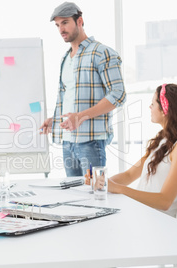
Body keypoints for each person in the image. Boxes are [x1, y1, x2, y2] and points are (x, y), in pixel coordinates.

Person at [89, 84, 177, 217]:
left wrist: (118, 189)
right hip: (144, 214)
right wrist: (101, 183)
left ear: (165, 110)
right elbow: (129, 175)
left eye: (153, 104)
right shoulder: (165, 139)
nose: (150, 107)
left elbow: (164, 201)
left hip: (158, 222)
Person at [40, 2, 126, 177]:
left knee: (95, 195)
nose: (61, 30)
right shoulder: (66, 57)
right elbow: (69, 97)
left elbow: (119, 94)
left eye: (65, 23)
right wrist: (54, 120)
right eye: (57, 25)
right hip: (67, 142)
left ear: (79, 21)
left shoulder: (102, 53)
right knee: (74, 198)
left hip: (91, 141)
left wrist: (80, 116)